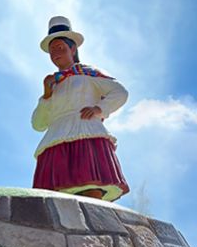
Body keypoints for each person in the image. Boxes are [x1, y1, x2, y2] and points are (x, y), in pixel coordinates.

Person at [31, 16, 130, 201]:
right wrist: (46, 95)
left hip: (85, 134)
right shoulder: (53, 85)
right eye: (52, 51)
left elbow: (120, 92)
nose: (56, 54)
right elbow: (38, 124)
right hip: (55, 140)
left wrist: (99, 109)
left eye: (60, 48)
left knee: (91, 188)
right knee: (54, 198)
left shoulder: (87, 73)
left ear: (73, 48)